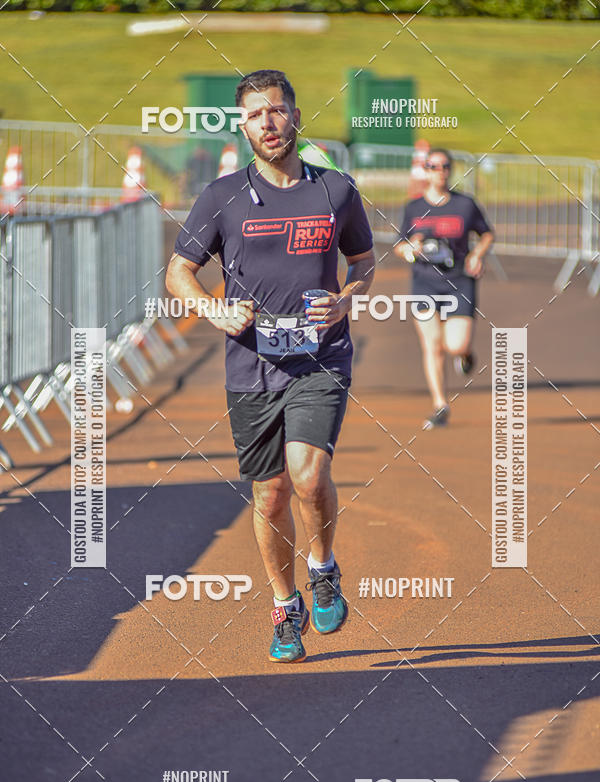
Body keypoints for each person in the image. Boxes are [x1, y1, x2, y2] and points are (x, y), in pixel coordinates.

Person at [166, 70, 375, 662]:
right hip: (252, 366)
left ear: (296, 115)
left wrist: (345, 301)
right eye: (257, 114)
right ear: (243, 125)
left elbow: (364, 263)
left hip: (320, 358)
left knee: (308, 477)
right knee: (271, 494)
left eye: (278, 111)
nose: (269, 123)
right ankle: (286, 605)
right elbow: (179, 273)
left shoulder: (335, 191)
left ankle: (324, 566)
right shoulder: (222, 197)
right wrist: (213, 311)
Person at [394, 148, 494, 429]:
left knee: (455, 344)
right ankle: (440, 404)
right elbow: (399, 245)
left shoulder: (465, 205)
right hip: (425, 281)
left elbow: (486, 233)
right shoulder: (413, 207)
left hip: (459, 280)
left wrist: (477, 255)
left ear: (450, 170)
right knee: (432, 345)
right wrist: (410, 250)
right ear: (424, 170)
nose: (439, 171)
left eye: (444, 166)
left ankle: (465, 355)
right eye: (433, 166)